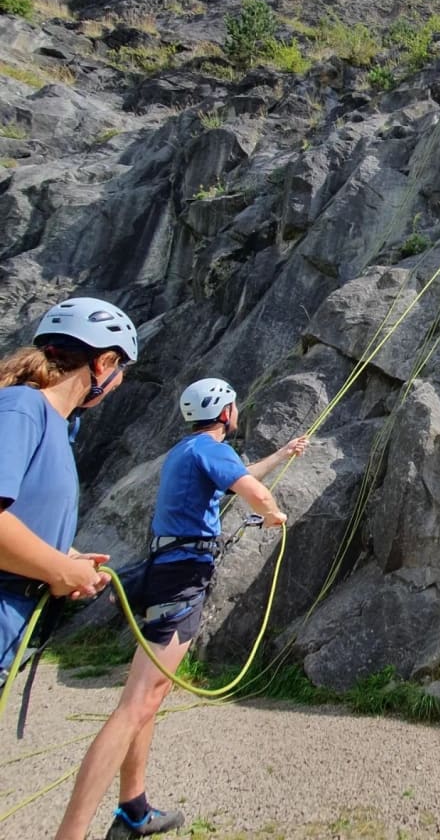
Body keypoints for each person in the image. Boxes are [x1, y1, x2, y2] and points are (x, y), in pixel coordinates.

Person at [56, 377, 308, 840]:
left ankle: (133, 809)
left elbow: (240, 474)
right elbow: (253, 491)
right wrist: (273, 513)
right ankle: (71, 833)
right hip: (183, 577)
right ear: (227, 412)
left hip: (163, 570)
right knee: (137, 704)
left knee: (146, 700)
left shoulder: (189, 451)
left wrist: (283, 454)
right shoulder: (209, 450)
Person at [0, 296, 138, 680]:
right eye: (121, 367)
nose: (119, 381)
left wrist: (68, 558)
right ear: (105, 362)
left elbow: (22, 513)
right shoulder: (21, 408)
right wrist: (57, 568)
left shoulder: (54, 425)